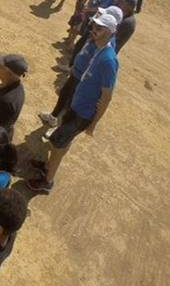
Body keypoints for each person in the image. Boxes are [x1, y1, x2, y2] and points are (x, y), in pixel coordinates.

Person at [28, 12, 118, 194]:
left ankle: (47, 180)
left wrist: (93, 124)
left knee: (57, 142)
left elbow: (107, 97)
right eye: (94, 26)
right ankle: (47, 166)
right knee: (60, 141)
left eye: (99, 28)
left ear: (110, 32)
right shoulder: (99, 49)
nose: (93, 30)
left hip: (82, 114)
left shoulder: (108, 60)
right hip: (76, 105)